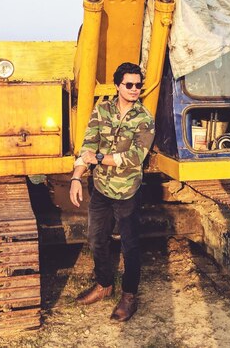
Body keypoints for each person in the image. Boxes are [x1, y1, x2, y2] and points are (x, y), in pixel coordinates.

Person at [69, 61, 155, 322]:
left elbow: (135, 157)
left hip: (127, 191)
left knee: (130, 247)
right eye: (129, 84)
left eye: (138, 85)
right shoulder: (101, 109)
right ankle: (104, 285)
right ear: (118, 85)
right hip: (100, 188)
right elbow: (88, 144)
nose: (134, 89)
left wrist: (98, 157)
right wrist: (76, 176)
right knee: (96, 239)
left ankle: (129, 296)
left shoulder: (144, 119)